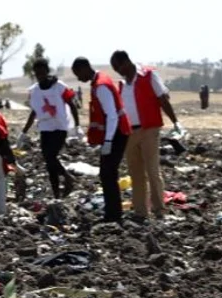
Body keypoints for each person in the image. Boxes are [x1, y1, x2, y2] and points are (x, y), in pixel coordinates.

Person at [110, 51, 181, 221]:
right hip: (129, 132)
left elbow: (163, 99)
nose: (118, 71)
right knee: (136, 173)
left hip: (149, 129)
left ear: (126, 62)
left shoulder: (148, 76)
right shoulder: (121, 85)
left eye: (118, 67)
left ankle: (159, 210)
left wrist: (176, 122)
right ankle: (140, 212)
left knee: (152, 170)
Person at [71, 57, 131, 223]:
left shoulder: (101, 86)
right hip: (116, 133)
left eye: (78, 74)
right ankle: (113, 213)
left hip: (117, 133)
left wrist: (108, 141)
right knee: (108, 174)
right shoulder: (99, 81)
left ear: (84, 69)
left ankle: (113, 215)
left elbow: (112, 115)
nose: (78, 78)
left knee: (108, 174)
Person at [18, 58, 79, 198]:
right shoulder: (34, 91)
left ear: (47, 71)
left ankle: (67, 177)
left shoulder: (59, 86)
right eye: (37, 73)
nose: (40, 75)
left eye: (42, 72)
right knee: (49, 161)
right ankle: (57, 193)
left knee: (50, 156)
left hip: (59, 126)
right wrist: (24, 132)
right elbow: (34, 112)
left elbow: (71, 104)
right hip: (45, 128)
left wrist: (77, 126)